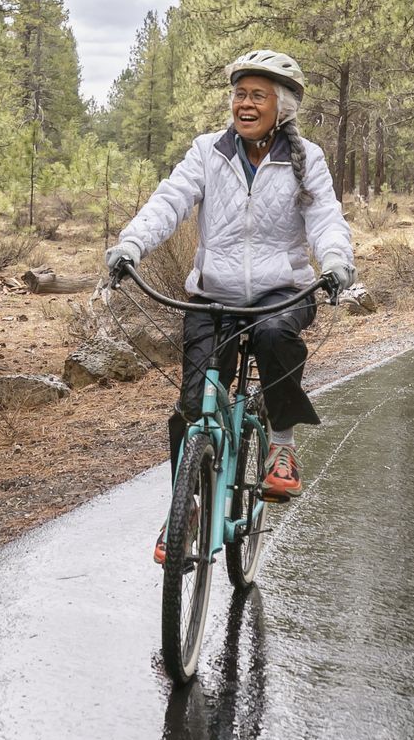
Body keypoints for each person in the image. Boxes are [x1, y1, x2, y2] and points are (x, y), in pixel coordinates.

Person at [105, 51, 355, 544]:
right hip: (212, 295)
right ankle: (187, 506)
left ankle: (280, 444)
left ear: (280, 107)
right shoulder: (208, 152)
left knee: (274, 332)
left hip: (279, 291)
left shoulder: (307, 159)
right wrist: (131, 243)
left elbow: (325, 217)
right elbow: (170, 200)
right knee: (192, 405)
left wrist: (335, 262)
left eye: (257, 95)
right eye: (239, 94)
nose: (244, 103)